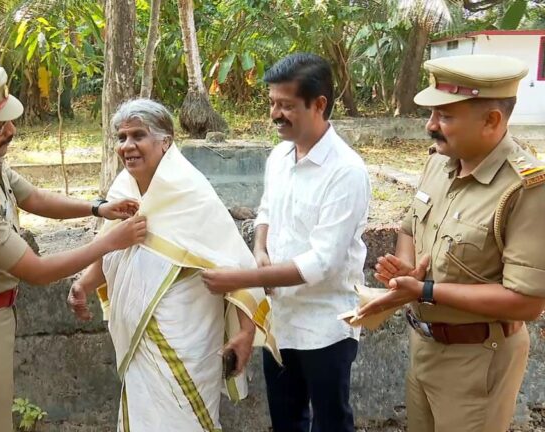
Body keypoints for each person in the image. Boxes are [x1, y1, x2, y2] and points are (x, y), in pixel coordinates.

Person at [0, 67, 147, 432]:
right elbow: (37, 271)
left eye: (8, 120)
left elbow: (34, 197)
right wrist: (109, 241)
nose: (11, 131)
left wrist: (97, 207)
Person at [357, 55, 545, 432]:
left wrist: (426, 289)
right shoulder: (440, 164)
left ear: (491, 120)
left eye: (445, 116)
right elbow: (410, 226)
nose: (431, 126)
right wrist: (409, 269)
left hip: (478, 360)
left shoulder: (526, 189)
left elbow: (527, 302)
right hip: (425, 347)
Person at [67, 98, 280, 432]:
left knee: (183, 417)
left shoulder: (190, 192)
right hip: (138, 337)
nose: (128, 146)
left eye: (138, 135)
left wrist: (245, 330)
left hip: (188, 335)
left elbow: (234, 262)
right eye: (122, 138)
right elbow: (114, 255)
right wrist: (83, 284)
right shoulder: (122, 189)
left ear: (165, 141)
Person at [201, 53, 371, 432]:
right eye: (272, 103)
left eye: (287, 106)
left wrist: (241, 279)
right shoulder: (279, 156)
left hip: (327, 324)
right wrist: (260, 251)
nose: (275, 114)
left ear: (319, 104)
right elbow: (266, 212)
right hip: (281, 321)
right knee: (286, 420)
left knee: (331, 422)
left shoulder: (346, 171)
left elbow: (322, 263)